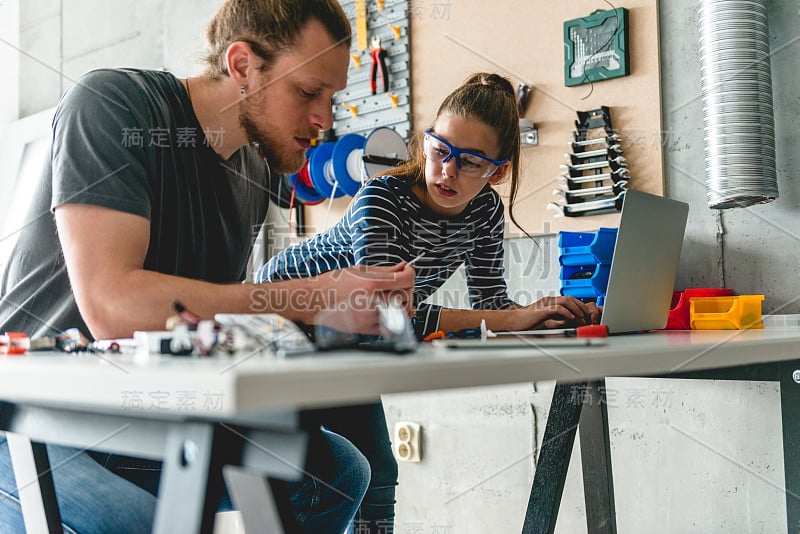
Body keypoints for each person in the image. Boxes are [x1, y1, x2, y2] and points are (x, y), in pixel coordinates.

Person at [0, 0, 414, 532]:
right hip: (28, 418)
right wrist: (313, 297)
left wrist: (333, 319)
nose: (324, 119)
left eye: (332, 97)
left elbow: (201, 324)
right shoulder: (113, 105)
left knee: (336, 472)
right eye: (309, 92)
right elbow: (113, 305)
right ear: (242, 65)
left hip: (143, 417)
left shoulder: (253, 175)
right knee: (138, 523)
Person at [258, 72, 601, 534]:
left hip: (348, 335)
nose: (447, 171)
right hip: (280, 321)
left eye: (470, 162)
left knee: (377, 474)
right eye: (440, 150)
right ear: (426, 142)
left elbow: (490, 304)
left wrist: (543, 314)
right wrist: (509, 317)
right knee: (324, 475)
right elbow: (383, 317)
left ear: (496, 171)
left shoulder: (484, 211)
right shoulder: (381, 200)